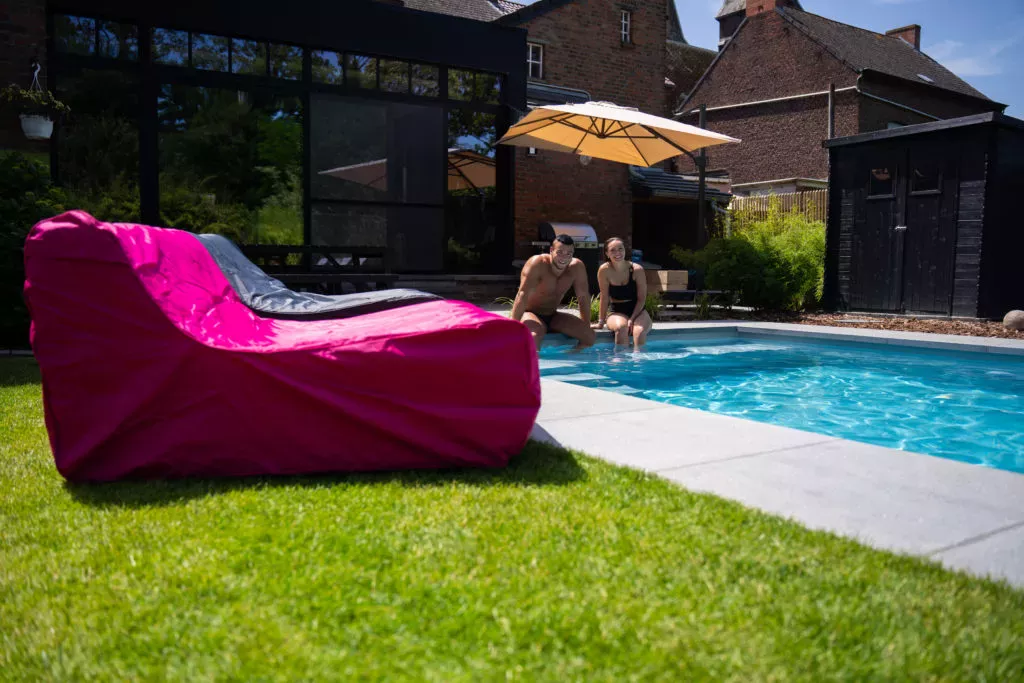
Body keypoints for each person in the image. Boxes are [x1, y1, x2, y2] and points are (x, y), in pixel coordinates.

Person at [511, 234, 596, 350]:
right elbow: (522, 294)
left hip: (553, 315)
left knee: (589, 337)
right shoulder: (538, 263)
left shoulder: (576, 267)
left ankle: (568, 363)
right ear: (551, 250)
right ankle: (534, 367)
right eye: (560, 252)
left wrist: (586, 326)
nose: (564, 257)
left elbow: (583, 296)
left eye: (569, 253)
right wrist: (513, 325)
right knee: (534, 336)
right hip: (531, 313)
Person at [595, 237, 652, 349]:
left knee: (639, 332)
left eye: (620, 249)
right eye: (613, 250)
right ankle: (621, 363)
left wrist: (632, 318)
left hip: (638, 309)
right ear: (607, 253)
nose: (617, 253)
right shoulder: (604, 270)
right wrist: (601, 322)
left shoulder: (637, 269)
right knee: (621, 329)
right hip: (616, 310)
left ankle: (638, 363)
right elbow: (604, 297)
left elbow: (641, 298)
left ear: (625, 250)